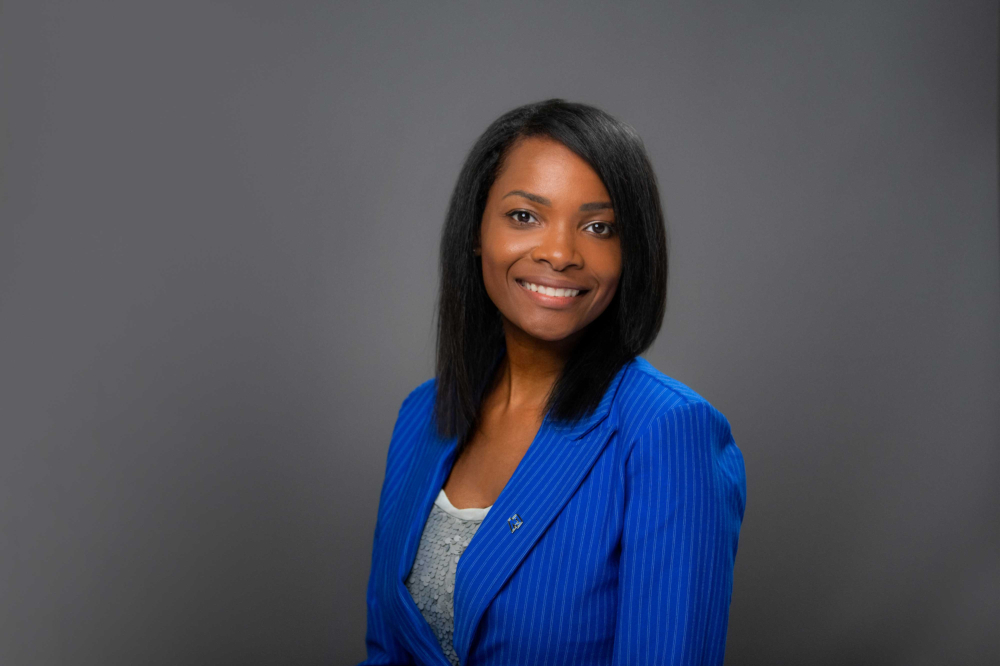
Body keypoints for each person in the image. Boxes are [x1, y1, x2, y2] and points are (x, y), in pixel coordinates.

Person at [358, 98, 746, 666]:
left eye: (598, 226)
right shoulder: (424, 413)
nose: (560, 254)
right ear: (476, 232)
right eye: (524, 216)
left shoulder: (668, 432)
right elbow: (385, 651)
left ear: (629, 252)